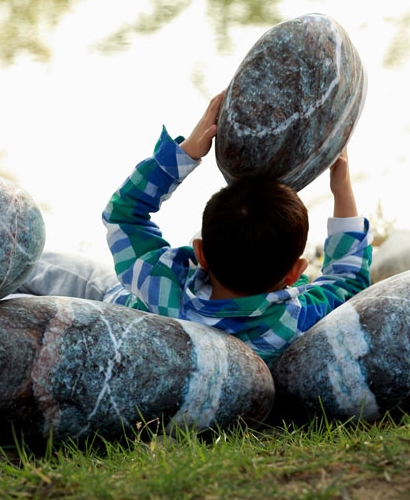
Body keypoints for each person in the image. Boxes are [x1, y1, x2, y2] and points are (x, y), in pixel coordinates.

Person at [101, 91, 374, 364]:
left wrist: (185, 153)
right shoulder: (292, 321)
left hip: (110, 306)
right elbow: (347, 281)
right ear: (295, 272)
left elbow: (124, 215)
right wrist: (342, 188)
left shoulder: (160, 283)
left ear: (200, 252)